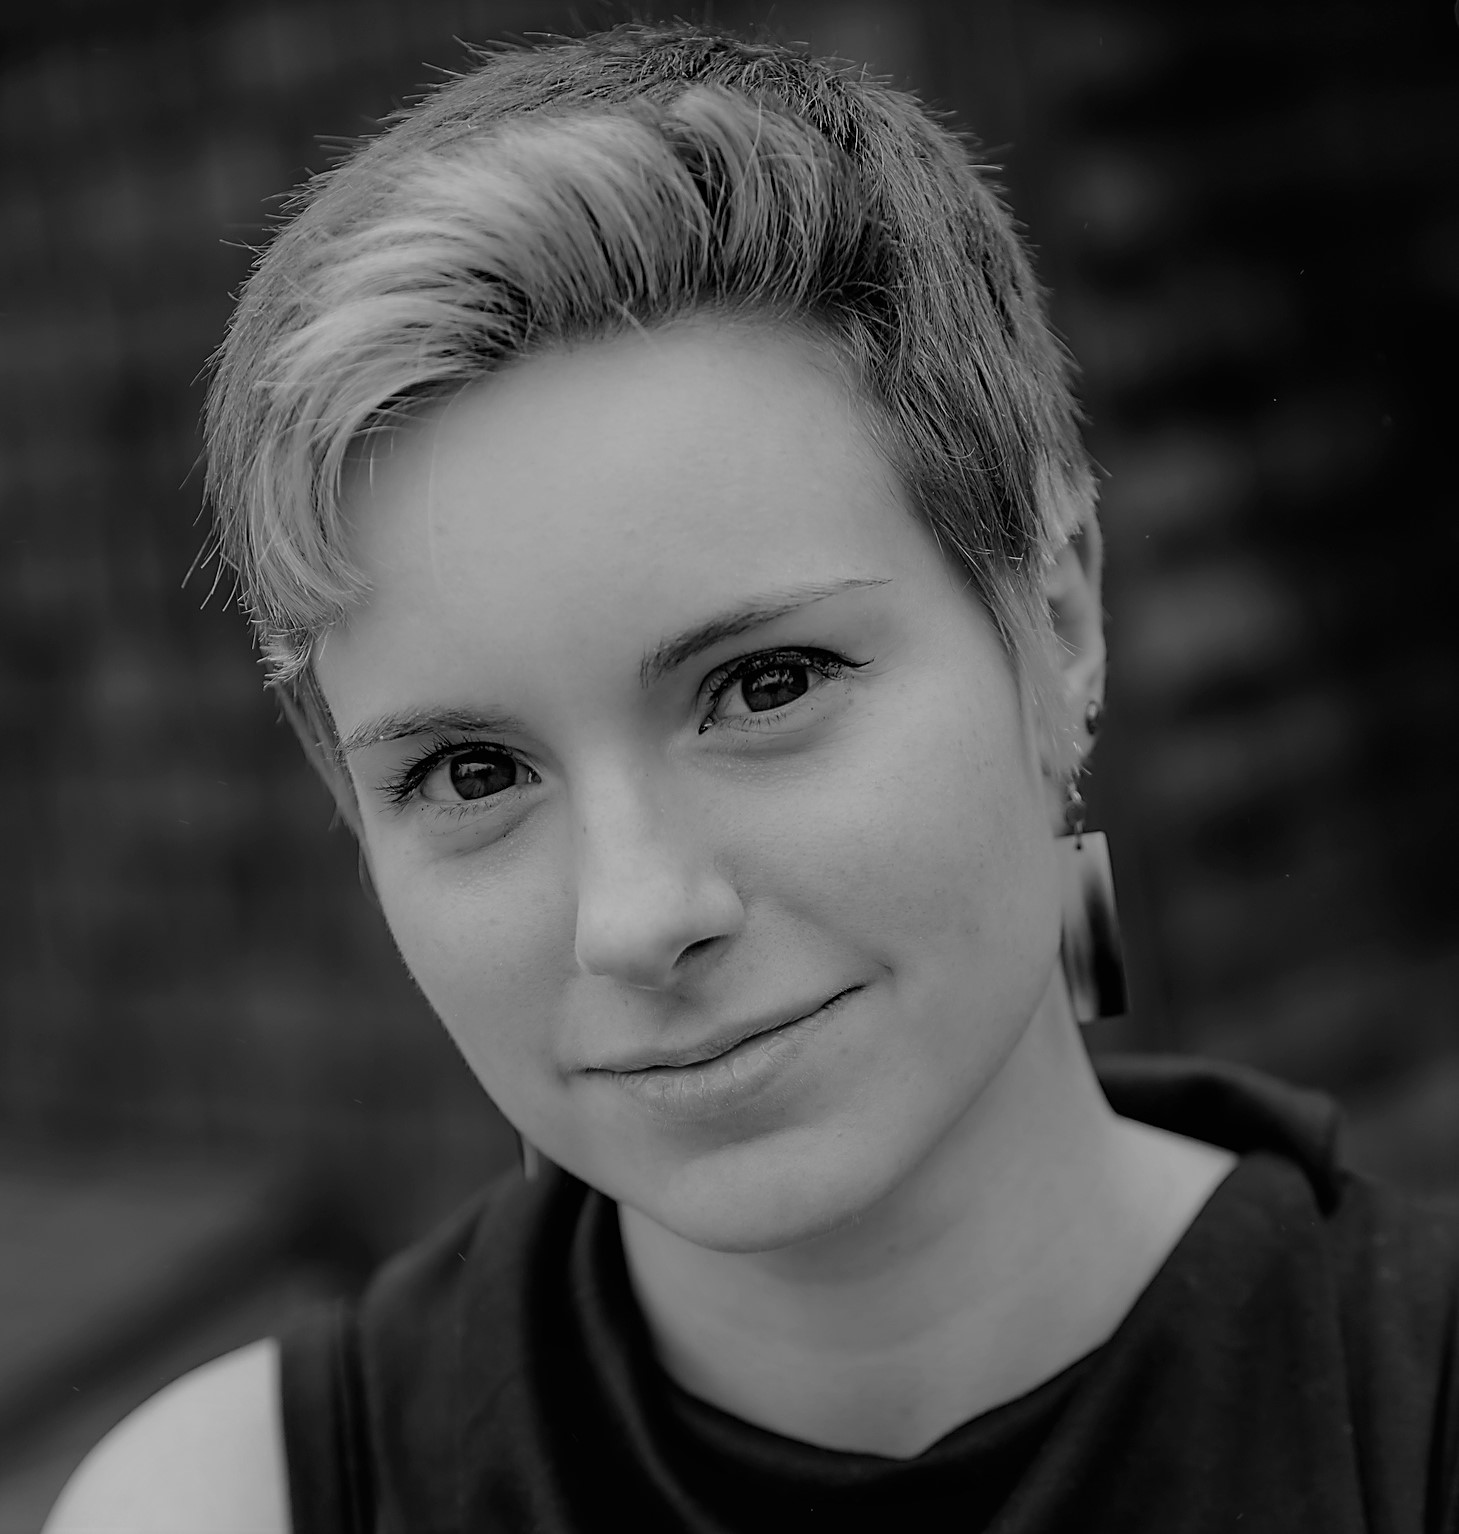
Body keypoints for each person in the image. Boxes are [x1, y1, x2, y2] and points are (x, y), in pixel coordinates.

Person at [44, 18, 1459, 1534]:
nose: (638, 916)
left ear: (1057, 619)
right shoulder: (223, 1505)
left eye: (764, 686)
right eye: (472, 771)